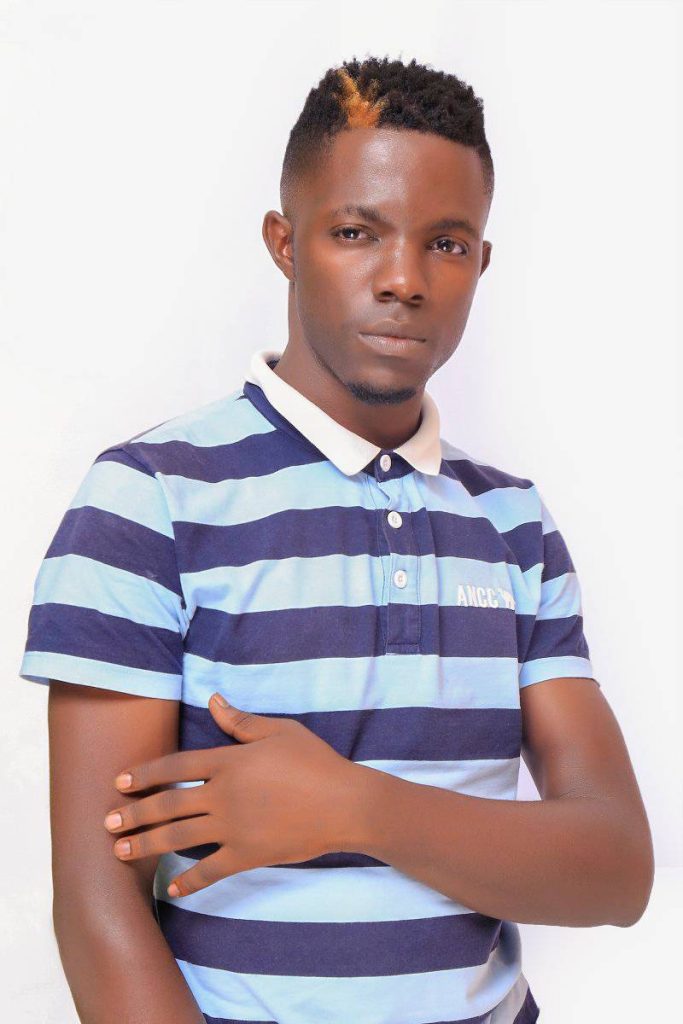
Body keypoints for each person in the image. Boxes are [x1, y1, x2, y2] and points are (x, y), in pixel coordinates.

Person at [19, 55, 653, 1024]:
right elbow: (97, 907)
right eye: (356, 232)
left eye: (445, 243)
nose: (402, 280)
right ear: (284, 242)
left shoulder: (513, 525)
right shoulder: (151, 500)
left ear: (480, 264)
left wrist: (351, 806)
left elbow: (614, 870)